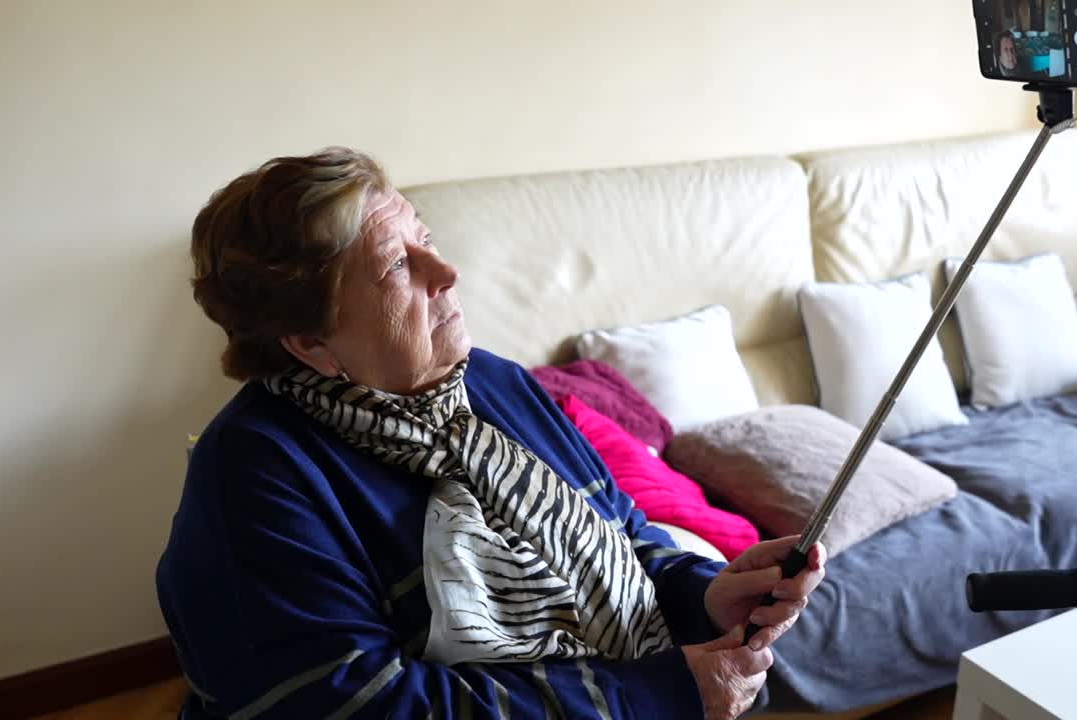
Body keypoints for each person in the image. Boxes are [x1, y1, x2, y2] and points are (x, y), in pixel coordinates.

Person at [157, 147, 827, 720]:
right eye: (396, 267)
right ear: (309, 342)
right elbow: (365, 705)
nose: (447, 275)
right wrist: (652, 695)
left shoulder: (493, 385)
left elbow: (622, 536)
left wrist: (708, 594)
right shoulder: (254, 478)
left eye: (428, 239)